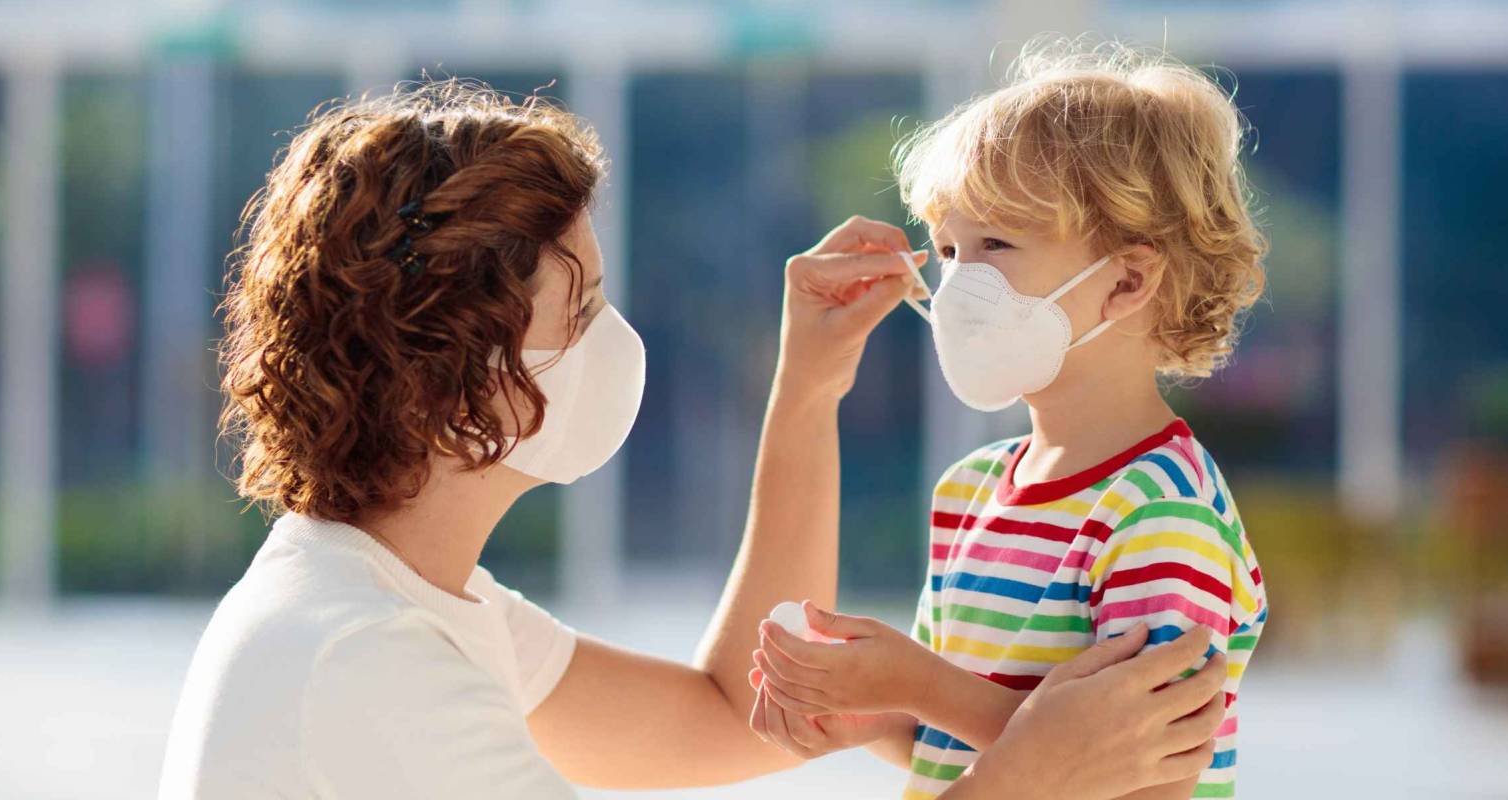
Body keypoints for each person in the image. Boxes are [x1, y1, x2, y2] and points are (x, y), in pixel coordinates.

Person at [156, 79, 1225, 799]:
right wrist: (1026, 773)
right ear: (466, 377)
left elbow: (733, 717)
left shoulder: (414, 608)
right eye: (580, 315)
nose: (618, 343)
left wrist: (807, 391)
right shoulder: (366, 664)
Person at [746, 40, 1270, 799]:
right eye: (949, 249)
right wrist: (866, 718)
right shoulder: (970, 490)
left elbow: (1143, 769)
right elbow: (964, 749)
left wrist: (915, 683)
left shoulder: (1160, 515)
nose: (957, 283)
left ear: (1127, 279)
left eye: (996, 244)